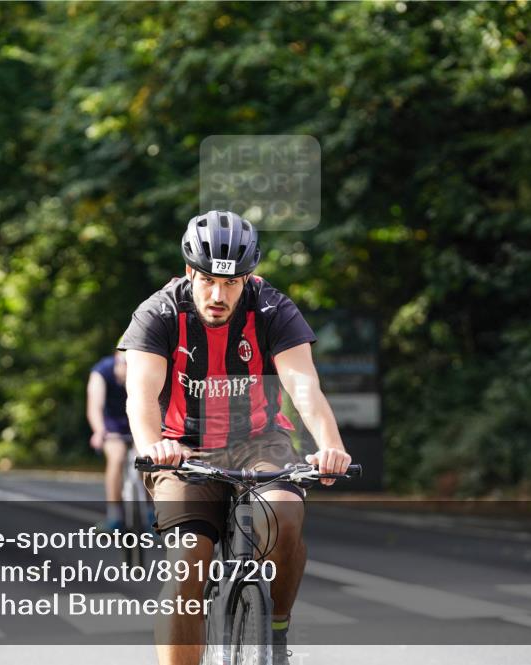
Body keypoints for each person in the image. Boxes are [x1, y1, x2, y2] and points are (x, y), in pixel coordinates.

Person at [118, 210, 353, 665]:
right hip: (181, 448)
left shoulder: (272, 308)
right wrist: (154, 448)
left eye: (232, 282)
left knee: (284, 515)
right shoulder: (159, 312)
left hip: (260, 441)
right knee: (187, 560)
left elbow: (303, 384)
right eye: (207, 280)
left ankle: (277, 631)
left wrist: (331, 445)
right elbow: (140, 396)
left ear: (249, 276)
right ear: (189, 272)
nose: (219, 295)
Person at [87, 349, 135, 531]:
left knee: (146, 459)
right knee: (117, 457)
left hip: (136, 420)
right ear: (117, 357)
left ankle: (150, 513)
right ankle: (114, 516)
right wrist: (99, 431)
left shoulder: (143, 368)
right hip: (111, 425)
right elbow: (94, 405)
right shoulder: (101, 371)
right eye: (125, 363)